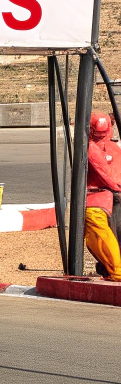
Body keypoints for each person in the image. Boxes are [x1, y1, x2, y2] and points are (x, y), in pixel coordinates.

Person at [85, 113, 121, 280]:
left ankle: (117, 271)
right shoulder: (114, 147)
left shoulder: (90, 147)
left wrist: (115, 186)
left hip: (101, 196)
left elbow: (105, 174)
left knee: (95, 223)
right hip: (111, 195)